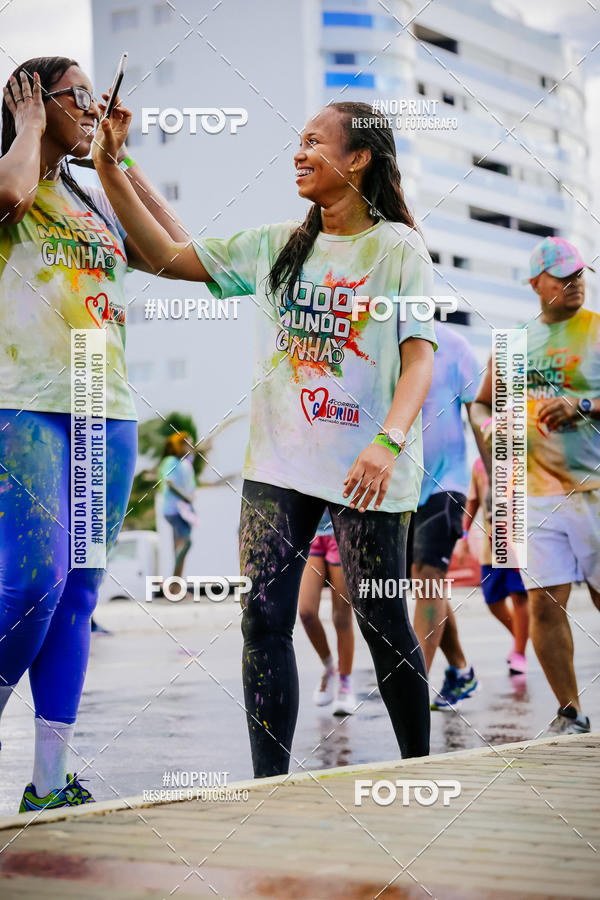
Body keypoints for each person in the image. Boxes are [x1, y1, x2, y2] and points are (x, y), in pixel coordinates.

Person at [93, 98, 437, 776]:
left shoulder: (398, 248)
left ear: (358, 159)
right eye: (298, 141)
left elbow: (418, 359)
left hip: (368, 466)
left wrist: (388, 442)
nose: (299, 153)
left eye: (315, 141)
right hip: (280, 462)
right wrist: (113, 165)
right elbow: (167, 256)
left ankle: (417, 772)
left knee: (382, 622)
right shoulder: (278, 243)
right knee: (262, 619)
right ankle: (268, 787)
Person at [0, 57, 187, 811]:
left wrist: (117, 159)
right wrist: (28, 129)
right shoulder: (15, 177)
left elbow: (176, 250)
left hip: (102, 406)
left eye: (97, 95)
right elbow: (10, 194)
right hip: (24, 403)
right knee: (32, 584)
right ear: (33, 99)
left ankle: (50, 782)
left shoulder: (92, 198)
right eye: (79, 95)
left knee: (78, 589)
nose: (95, 104)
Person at [471, 236, 599, 734]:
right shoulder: (514, 344)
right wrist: (490, 429)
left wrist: (582, 405)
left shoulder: (596, 330)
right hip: (535, 495)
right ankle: (571, 712)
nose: (575, 283)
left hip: (594, 490)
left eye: (579, 274)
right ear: (535, 284)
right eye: (563, 276)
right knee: (545, 603)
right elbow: (481, 403)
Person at [409, 319, 480, 710]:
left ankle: (412, 688)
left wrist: (498, 486)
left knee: (428, 577)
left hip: (446, 481)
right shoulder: (378, 339)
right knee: (426, 584)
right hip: (401, 487)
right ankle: (461, 670)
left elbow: (480, 413)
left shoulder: (454, 345)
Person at [456, 457, 528, 673]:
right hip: (492, 546)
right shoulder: (479, 463)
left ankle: (520, 652)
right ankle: (523, 636)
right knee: (492, 599)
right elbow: (473, 501)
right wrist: (464, 535)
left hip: (520, 541)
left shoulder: (523, 456)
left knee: (519, 596)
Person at [299, 510, 356, 716]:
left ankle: (345, 682)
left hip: (342, 530)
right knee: (306, 612)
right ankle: (329, 666)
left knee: (341, 617)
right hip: (311, 530)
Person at [158, 432, 197, 579]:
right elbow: (170, 483)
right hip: (174, 510)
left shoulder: (184, 463)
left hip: (184, 511)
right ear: (180, 445)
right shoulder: (171, 461)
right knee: (186, 542)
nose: (191, 447)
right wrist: (186, 497)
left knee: (178, 548)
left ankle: (177, 583)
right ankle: (175, 581)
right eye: (188, 444)